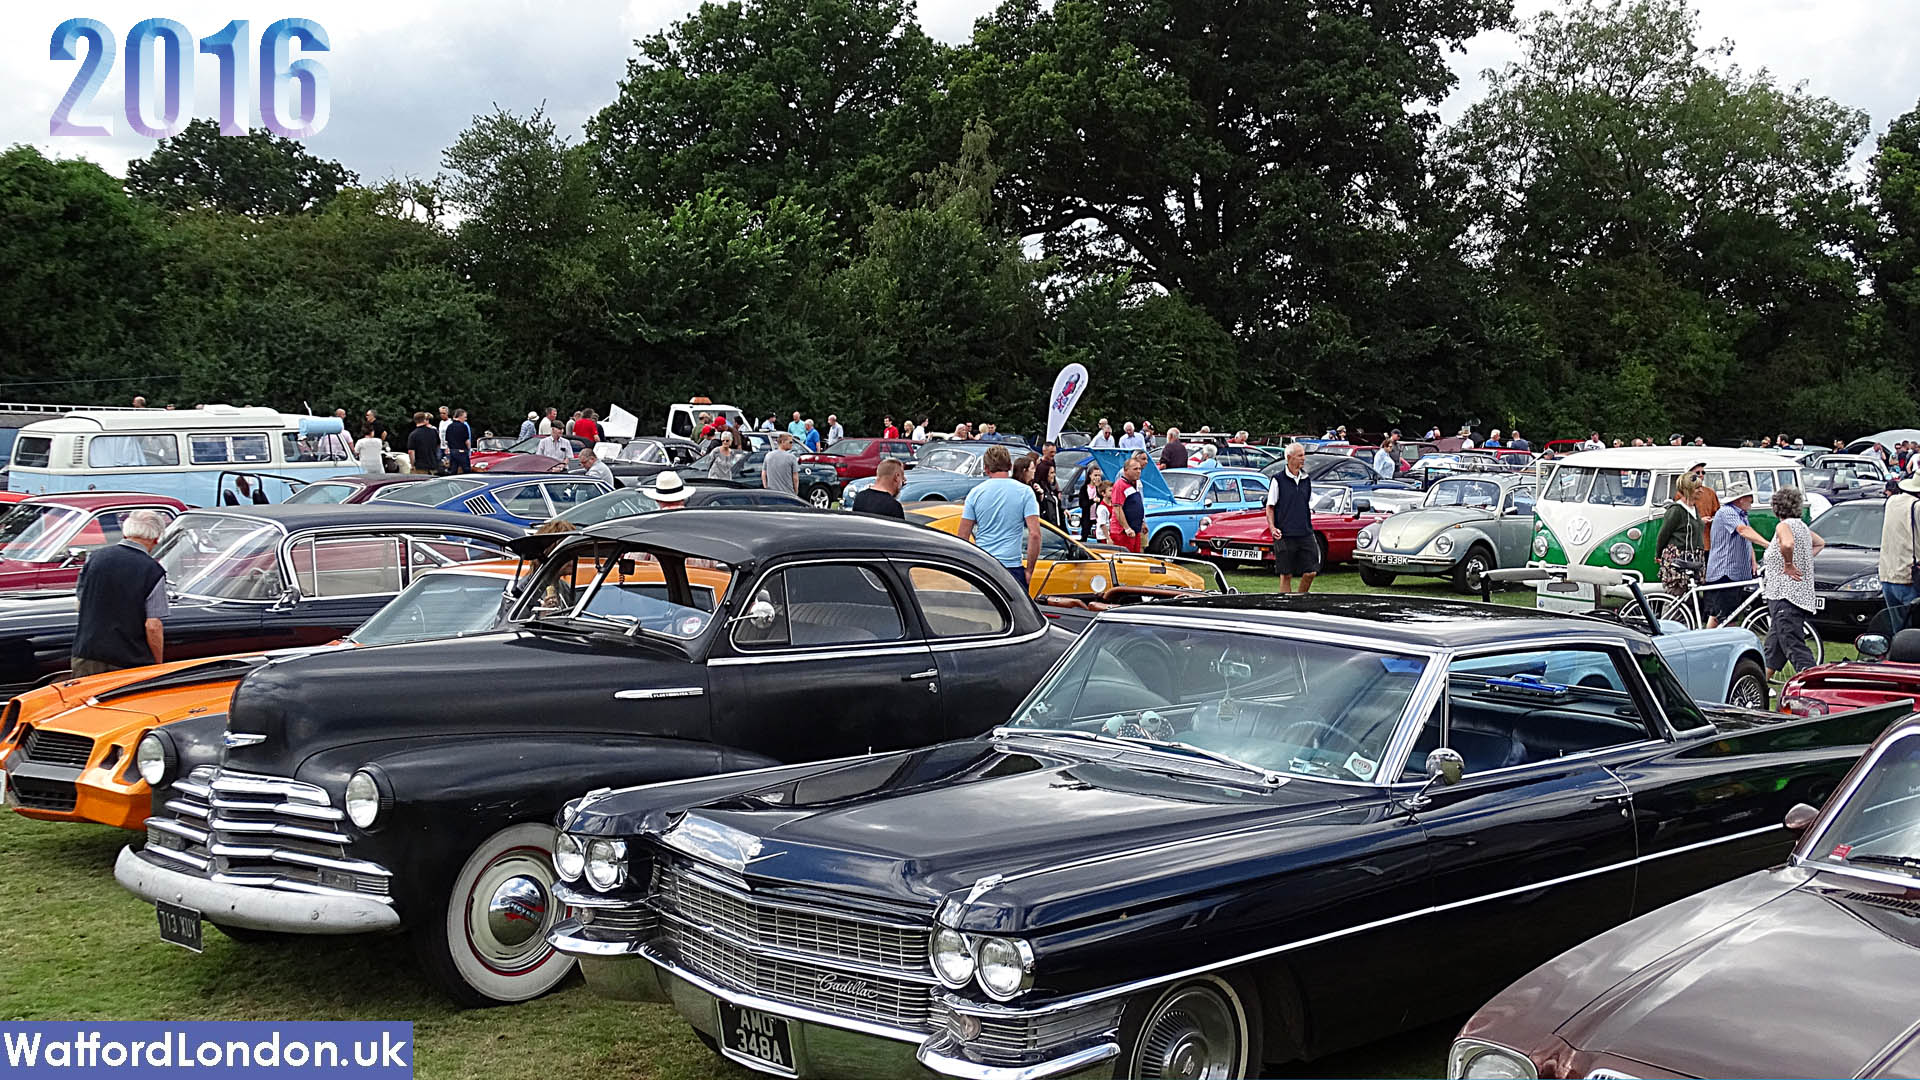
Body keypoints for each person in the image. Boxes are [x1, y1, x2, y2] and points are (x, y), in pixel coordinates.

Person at [70, 509, 169, 677]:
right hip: (128, 659)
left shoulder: (95, 558)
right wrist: (158, 665)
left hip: (86, 653)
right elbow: (153, 625)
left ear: (125, 532)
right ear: (156, 538)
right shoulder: (152, 570)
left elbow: (80, 604)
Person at [1761, 487, 1823, 680]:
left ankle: (1815, 684)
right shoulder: (1802, 526)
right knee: (1773, 649)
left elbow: (1787, 544)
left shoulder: (1784, 526)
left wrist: (1789, 564)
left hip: (1785, 596)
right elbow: (1820, 543)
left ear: (1776, 508)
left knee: (1794, 646)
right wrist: (1803, 560)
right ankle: (1758, 683)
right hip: (1798, 597)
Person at [960, 446, 1042, 588]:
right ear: (1010, 466)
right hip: (1011, 566)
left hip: (983, 565)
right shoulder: (1025, 492)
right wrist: (1029, 570)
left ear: (986, 469)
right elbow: (1035, 534)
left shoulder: (975, 493)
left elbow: (962, 537)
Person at [1704, 482, 1767, 628]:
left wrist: (1753, 561)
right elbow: (1743, 531)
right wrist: (1768, 545)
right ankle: (1723, 645)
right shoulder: (1727, 512)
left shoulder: (1741, 514)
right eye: (1749, 497)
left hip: (1735, 572)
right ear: (1740, 499)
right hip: (1725, 572)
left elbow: (1746, 538)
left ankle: (1709, 643)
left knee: (1721, 615)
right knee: (1726, 617)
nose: (1752, 500)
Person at [1266, 443, 1318, 594]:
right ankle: (1285, 608)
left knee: (1311, 572)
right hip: (1284, 534)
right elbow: (1270, 507)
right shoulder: (1277, 480)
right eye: (1300, 455)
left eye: (1304, 455)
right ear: (1289, 458)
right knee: (1286, 574)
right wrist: (1272, 528)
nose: (1304, 458)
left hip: (1305, 532)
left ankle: (1300, 598)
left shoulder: (1306, 479)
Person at [1880, 474, 1920, 632]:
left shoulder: (1893, 502)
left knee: (1899, 632)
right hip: (1910, 577)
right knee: (1914, 634)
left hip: (1887, 574)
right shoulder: (1916, 507)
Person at [1656, 473, 1707, 595]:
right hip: (1679, 557)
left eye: (1701, 487)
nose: (1701, 490)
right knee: (1676, 594)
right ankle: (1668, 614)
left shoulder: (1694, 508)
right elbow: (1664, 534)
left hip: (1694, 557)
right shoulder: (1676, 510)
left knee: (1690, 597)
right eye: (1697, 488)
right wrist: (1658, 554)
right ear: (1687, 490)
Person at [1107, 454, 1147, 554]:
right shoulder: (1120, 485)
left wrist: (1142, 522)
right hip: (1123, 533)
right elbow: (1117, 508)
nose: (1138, 471)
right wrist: (1127, 528)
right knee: (1125, 560)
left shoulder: (1135, 484)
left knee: (1136, 558)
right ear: (1126, 471)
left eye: (1139, 469)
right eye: (1135, 469)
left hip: (1135, 530)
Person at [1077, 463, 1105, 541]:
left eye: (1099, 475)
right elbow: (1082, 504)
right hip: (1087, 517)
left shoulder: (1100, 488)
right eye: (1095, 475)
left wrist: (1098, 487)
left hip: (1098, 517)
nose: (1097, 478)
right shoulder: (1084, 488)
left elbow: (1104, 499)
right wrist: (1092, 501)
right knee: (1085, 536)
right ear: (1090, 476)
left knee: (1100, 536)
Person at [445, 408, 473, 473]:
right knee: (466, 470)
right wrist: (469, 449)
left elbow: (447, 441)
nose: (465, 419)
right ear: (460, 416)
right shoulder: (463, 426)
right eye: (465, 417)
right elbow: (467, 441)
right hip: (462, 451)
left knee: (453, 470)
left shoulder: (449, 426)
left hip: (452, 451)